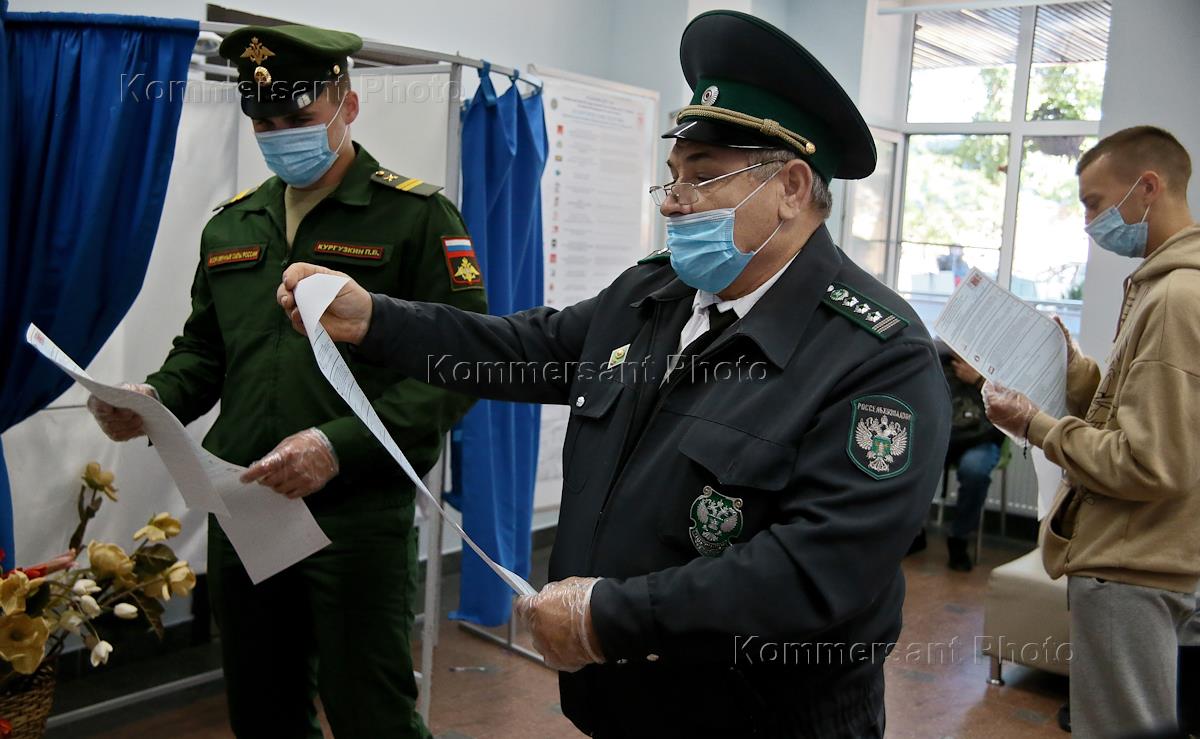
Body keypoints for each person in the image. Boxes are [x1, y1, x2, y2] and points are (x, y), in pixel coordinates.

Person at [277, 11, 950, 737]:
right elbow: (523, 350)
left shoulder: (877, 356)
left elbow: (819, 568)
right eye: (673, 176)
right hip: (622, 704)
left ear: (790, 186)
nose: (673, 200)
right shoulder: (653, 294)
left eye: (704, 177)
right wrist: (375, 320)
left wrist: (609, 617)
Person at [85, 24, 486, 738]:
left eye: (299, 118)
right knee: (262, 705)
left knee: (371, 710)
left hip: (355, 508)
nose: (281, 136)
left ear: (347, 105)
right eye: (265, 124)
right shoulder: (234, 224)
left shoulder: (415, 216)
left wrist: (336, 446)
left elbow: (457, 365)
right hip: (247, 500)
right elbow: (204, 350)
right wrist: (153, 400)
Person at [984, 125, 1200, 739]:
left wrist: (1034, 424)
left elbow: (1147, 462)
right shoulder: (1165, 284)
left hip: (1133, 566)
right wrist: (1075, 372)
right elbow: (1142, 413)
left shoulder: (1176, 297)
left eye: (1095, 203)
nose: (1089, 222)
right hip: (1148, 556)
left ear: (1148, 187)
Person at [937, 340, 1004, 571]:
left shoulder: (1001, 358)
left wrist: (978, 380)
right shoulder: (939, 354)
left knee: (974, 471)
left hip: (981, 437)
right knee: (913, 462)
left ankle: (959, 538)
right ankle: (912, 532)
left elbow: (1012, 403)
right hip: (945, 435)